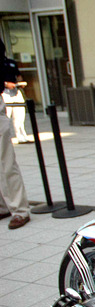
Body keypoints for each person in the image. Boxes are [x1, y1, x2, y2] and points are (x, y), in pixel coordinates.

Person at [0, 39, 30, 230]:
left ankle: (19, 209)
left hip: (7, 95)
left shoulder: (8, 62)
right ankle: (3, 206)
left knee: (5, 161)